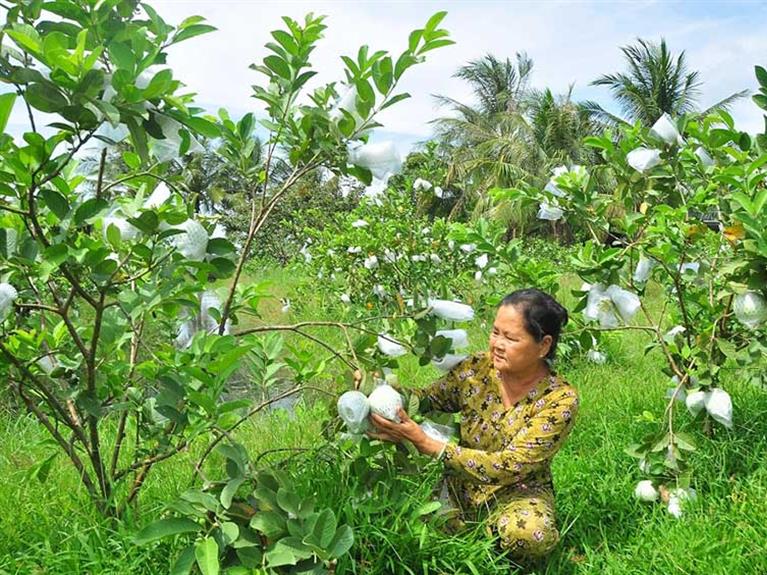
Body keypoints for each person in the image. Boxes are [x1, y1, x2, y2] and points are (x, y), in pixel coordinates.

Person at [368, 288, 578, 562]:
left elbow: (511, 466)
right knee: (391, 515)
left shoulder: (559, 399)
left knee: (527, 534)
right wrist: (382, 391)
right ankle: (469, 533)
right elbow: (429, 398)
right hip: (460, 485)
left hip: (517, 491)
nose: (497, 344)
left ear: (543, 345)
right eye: (495, 332)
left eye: (511, 338)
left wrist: (428, 444)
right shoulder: (478, 369)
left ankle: (481, 537)